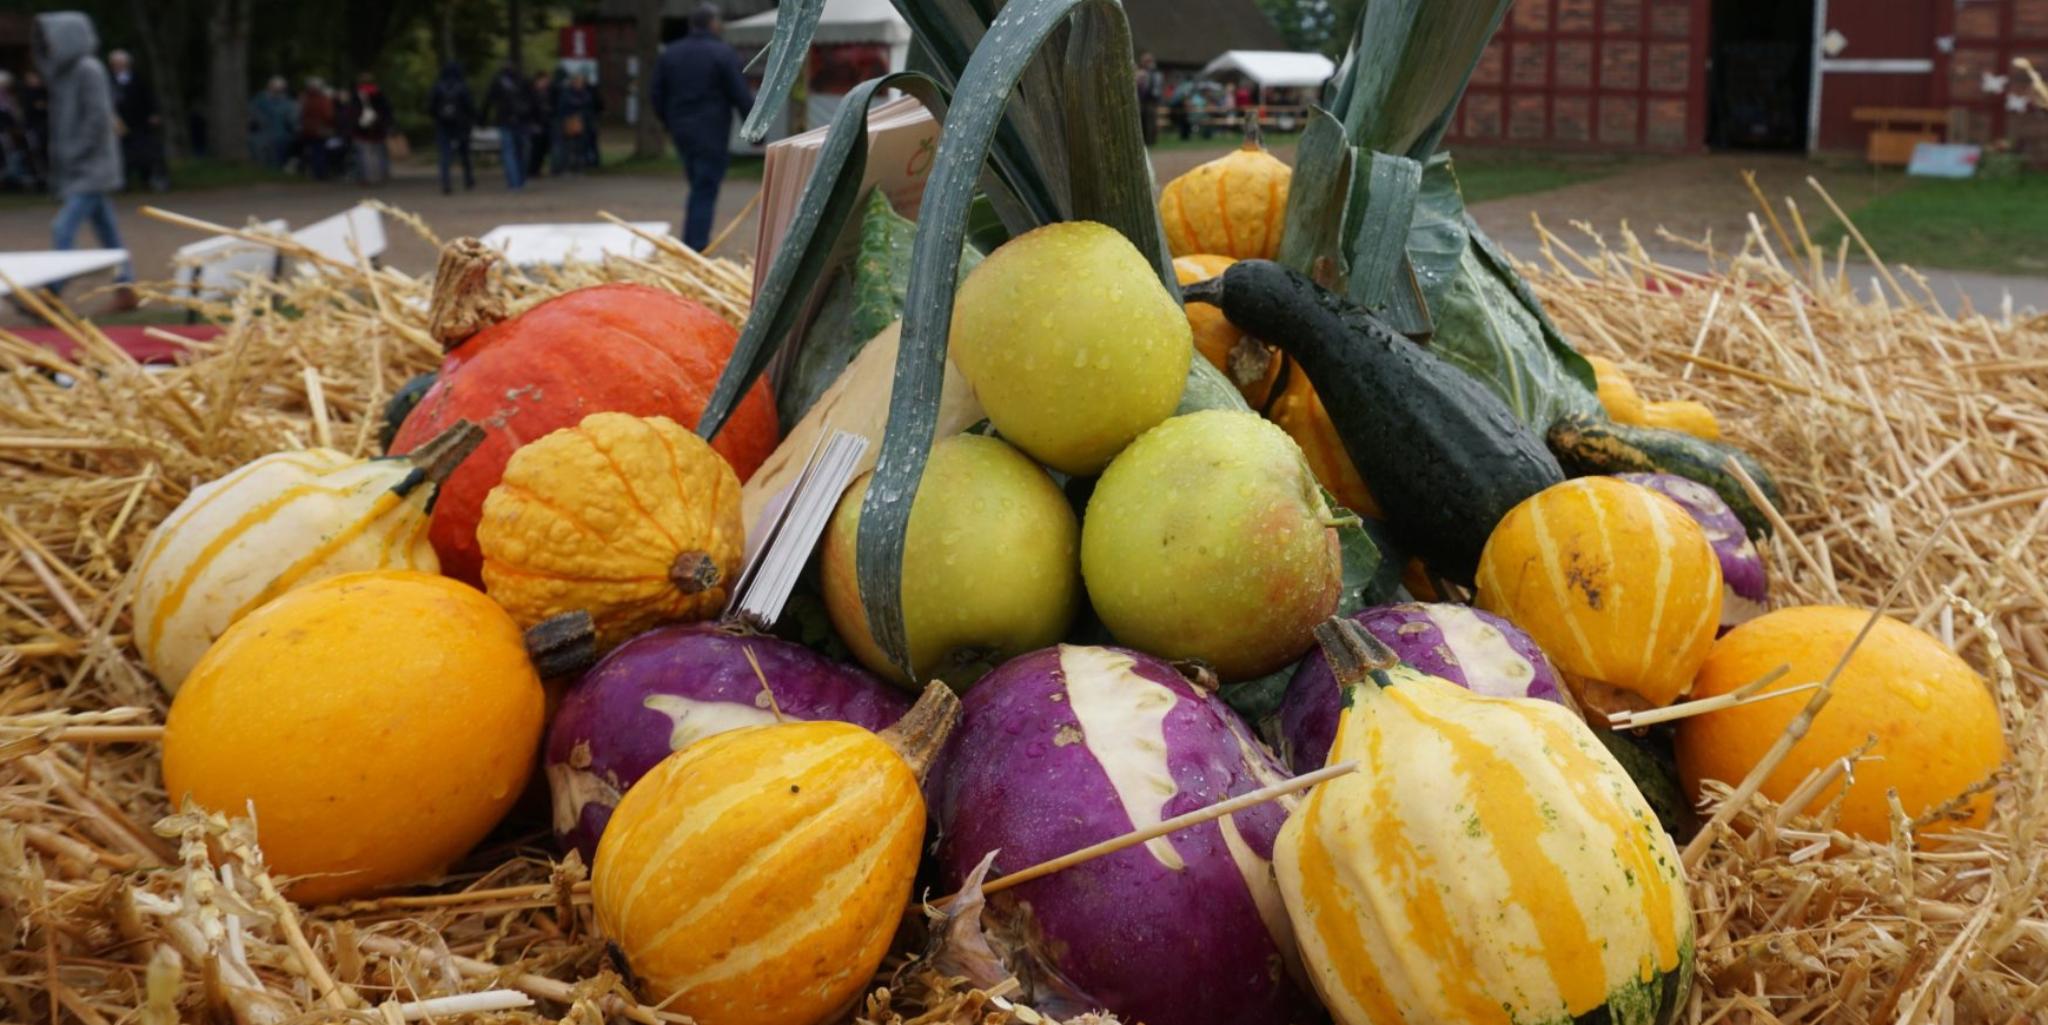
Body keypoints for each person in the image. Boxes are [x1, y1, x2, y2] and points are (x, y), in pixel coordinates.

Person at [34, 11, 133, 304]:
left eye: (51, 41)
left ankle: (53, 290)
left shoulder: (88, 69)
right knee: (107, 231)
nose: (49, 47)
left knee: (62, 227)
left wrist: (73, 153)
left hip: (92, 167)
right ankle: (126, 285)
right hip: (81, 167)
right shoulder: (66, 75)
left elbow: (97, 119)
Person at [651, 4, 754, 251]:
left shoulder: (670, 54)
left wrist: (669, 121)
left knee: (698, 183)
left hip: (681, 129)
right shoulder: (722, 52)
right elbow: (739, 93)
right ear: (712, 23)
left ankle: (692, 240)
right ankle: (695, 245)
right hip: (711, 128)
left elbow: (656, 94)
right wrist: (755, 128)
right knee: (704, 187)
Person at [108, 48, 165, 192]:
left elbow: (148, 98)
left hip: (139, 122)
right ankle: (123, 183)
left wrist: (153, 114)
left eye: (120, 63)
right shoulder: (109, 81)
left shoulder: (138, 79)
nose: (118, 66)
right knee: (122, 154)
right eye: (115, 64)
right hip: (119, 122)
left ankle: (146, 180)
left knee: (144, 152)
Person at [427, 61, 476, 194]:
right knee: (464, 153)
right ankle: (468, 179)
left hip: (443, 124)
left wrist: (438, 117)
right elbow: (470, 106)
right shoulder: (462, 86)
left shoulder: (438, 87)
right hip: (460, 124)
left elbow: (430, 107)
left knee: (445, 155)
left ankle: (446, 182)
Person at [480, 63, 531, 190]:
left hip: (505, 120)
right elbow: (532, 100)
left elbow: (488, 100)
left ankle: (514, 182)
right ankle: (521, 179)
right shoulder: (523, 79)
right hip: (522, 120)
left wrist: (482, 119)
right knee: (521, 151)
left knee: (509, 152)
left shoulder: (497, 81)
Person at [343, 71, 392, 185]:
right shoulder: (379, 93)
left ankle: (366, 177)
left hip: (361, 129)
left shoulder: (357, 94)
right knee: (378, 153)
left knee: (363, 154)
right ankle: (379, 176)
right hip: (378, 128)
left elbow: (351, 113)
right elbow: (387, 111)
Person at [248, 75, 296, 169]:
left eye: (280, 88)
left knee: (277, 162)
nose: (277, 90)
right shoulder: (259, 100)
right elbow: (252, 116)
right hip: (260, 137)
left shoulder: (287, 102)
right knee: (262, 162)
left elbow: (291, 120)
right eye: (275, 87)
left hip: (280, 137)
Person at [556, 72, 594, 175]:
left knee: (580, 148)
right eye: (577, 82)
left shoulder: (585, 93)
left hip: (582, 122)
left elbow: (587, 104)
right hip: (569, 122)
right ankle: (566, 168)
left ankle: (578, 168)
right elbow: (566, 105)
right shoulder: (567, 93)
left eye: (581, 82)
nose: (579, 84)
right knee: (568, 148)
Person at [297, 76, 335, 180]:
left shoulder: (305, 99)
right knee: (320, 152)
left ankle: (313, 172)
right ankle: (320, 173)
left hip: (308, 130)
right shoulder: (323, 100)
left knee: (312, 151)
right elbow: (328, 115)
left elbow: (300, 114)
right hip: (319, 130)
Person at [21, 68, 49, 189]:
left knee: (45, 152)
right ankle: (40, 179)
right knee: (37, 153)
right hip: (34, 128)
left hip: (45, 128)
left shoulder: (44, 92)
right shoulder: (27, 95)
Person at [527, 70, 554, 179]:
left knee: (543, 148)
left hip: (545, 123)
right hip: (535, 124)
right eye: (544, 80)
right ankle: (532, 170)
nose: (547, 83)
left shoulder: (547, 92)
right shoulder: (532, 93)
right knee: (535, 149)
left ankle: (536, 169)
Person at [1134, 52, 1162, 147]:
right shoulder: (1141, 72)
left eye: (1147, 61)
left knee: (1151, 121)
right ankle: (1144, 141)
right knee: (1142, 120)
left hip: (1151, 100)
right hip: (1142, 100)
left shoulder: (1155, 73)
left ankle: (1151, 141)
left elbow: (1156, 87)